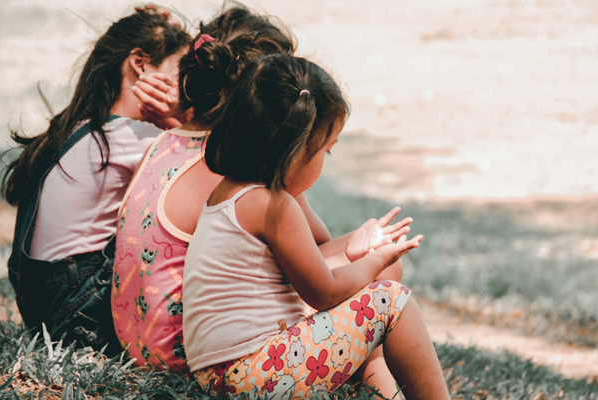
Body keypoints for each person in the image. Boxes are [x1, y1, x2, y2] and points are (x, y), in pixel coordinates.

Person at [114, 9, 407, 396]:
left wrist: (357, 247)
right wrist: (368, 258)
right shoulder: (237, 168)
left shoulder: (167, 142)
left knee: (371, 275)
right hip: (191, 351)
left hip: (141, 339)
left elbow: (308, 247)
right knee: (385, 278)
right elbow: (316, 259)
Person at [183, 53, 451, 400]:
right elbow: (323, 293)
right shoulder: (273, 206)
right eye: (327, 150)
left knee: (371, 291)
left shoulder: (231, 192)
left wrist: (353, 250)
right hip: (254, 375)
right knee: (390, 301)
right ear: (294, 150)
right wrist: (373, 262)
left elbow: (306, 264)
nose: (325, 159)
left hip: (221, 374)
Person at [1, 7, 191, 354]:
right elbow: (211, 171)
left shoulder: (80, 127)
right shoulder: (133, 136)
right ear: (140, 64)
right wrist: (178, 120)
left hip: (46, 309)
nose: (184, 88)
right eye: (179, 71)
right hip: (79, 314)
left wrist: (167, 33)